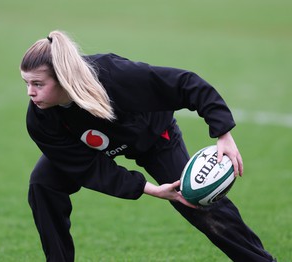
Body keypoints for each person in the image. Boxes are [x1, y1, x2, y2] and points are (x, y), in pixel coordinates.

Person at [20, 30, 275, 262]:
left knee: (196, 202)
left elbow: (185, 83)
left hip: (153, 137)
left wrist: (223, 134)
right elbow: (88, 168)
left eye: (38, 84)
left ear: (63, 78)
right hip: (92, 149)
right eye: (27, 83)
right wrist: (149, 188)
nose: (30, 93)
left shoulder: (111, 74)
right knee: (43, 183)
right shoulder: (40, 119)